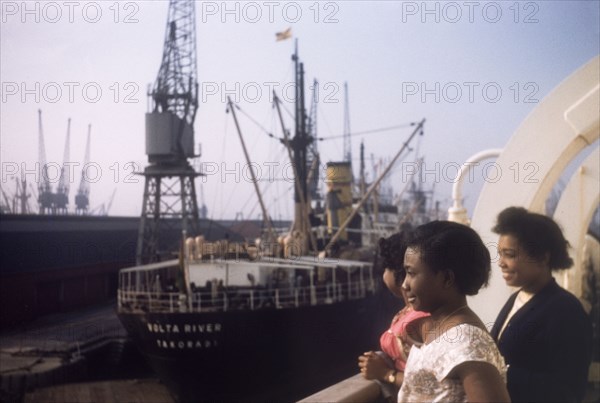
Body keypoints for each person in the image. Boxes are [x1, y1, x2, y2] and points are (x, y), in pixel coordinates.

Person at [398, 221, 510, 402]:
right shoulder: (442, 326)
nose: (404, 284)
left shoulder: (467, 340)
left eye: (411, 273)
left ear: (447, 279)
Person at [490, 206, 592, 402]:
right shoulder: (518, 298)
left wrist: (501, 372)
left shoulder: (566, 311)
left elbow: (569, 389)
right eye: (500, 254)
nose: (501, 263)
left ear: (543, 257)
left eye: (510, 255)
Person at [358, 232, 430, 399]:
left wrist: (385, 373)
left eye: (386, 268)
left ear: (399, 271)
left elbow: (431, 385)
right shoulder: (412, 310)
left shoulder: (422, 318)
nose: (384, 275)